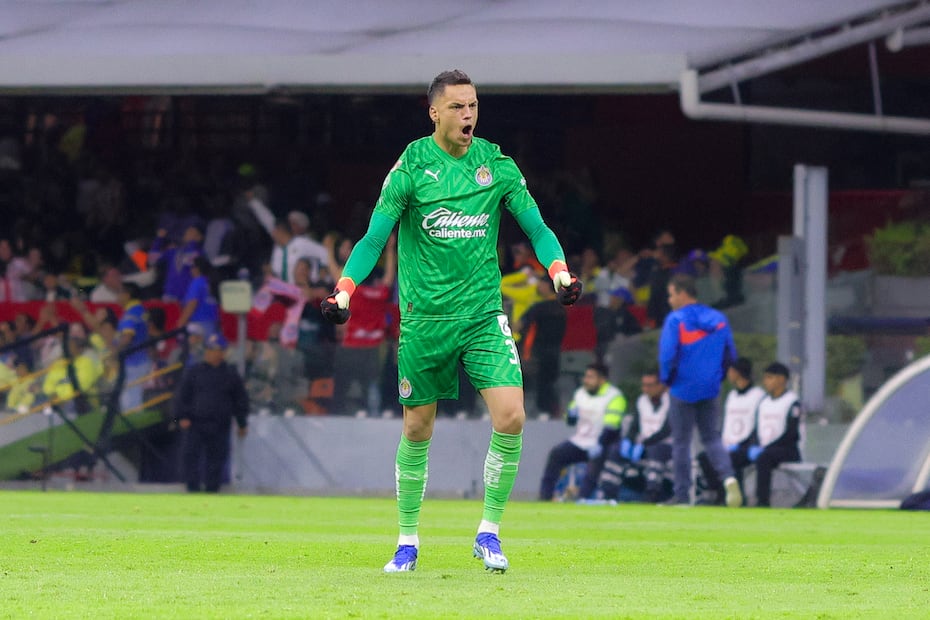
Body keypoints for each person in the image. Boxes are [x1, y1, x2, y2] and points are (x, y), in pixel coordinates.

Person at [320, 69, 582, 573]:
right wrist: (345, 290)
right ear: (434, 112)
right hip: (425, 320)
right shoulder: (411, 168)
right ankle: (407, 540)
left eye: (474, 106)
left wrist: (560, 271)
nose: (469, 116)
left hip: (483, 316)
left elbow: (537, 226)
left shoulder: (496, 164)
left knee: (512, 416)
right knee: (418, 430)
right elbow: (375, 239)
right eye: (458, 107)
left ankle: (489, 533)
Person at [658, 273, 742, 507]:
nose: (669, 300)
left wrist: (667, 380)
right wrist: (719, 378)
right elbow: (730, 354)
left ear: (683, 293)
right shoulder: (719, 318)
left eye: (671, 294)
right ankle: (728, 477)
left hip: (682, 388)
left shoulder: (676, 320)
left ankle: (682, 495)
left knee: (681, 443)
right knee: (712, 438)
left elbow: (668, 355)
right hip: (710, 387)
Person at [537, 362, 625, 502]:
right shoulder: (580, 394)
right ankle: (545, 497)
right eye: (586, 376)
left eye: (590, 377)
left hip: (602, 443)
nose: (586, 380)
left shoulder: (614, 397)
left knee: (594, 465)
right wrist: (570, 416)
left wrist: (600, 444)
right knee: (556, 454)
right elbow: (570, 421)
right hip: (580, 441)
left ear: (602, 379)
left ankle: (583, 498)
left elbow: (611, 427)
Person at [173, 333, 249, 493]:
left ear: (222, 352)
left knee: (216, 458)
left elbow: (240, 400)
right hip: (195, 422)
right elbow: (182, 396)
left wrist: (242, 423)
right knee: (190, 456)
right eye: (208, 349)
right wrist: (182, 416)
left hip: (220, 423)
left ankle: (212, 489)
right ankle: (192, 487)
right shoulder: (194, 371)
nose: (209, 353)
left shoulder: (231, 374)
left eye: (213, 349)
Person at [697, 357, 765, 505]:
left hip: (748, 446)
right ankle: (717, 494)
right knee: (704, 457)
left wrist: (746, 444)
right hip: (728, 445)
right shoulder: (732, 396)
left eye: (729, 370)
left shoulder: (758, 396)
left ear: (737, 373)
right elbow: (727, 423)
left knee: (732, 460)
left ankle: (737, 501)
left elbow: (760, 423)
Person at [599, 369, 673, 503]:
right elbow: (634, 426)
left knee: (656, 451)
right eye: (644, 385)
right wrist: (629, 440)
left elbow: (667, 430)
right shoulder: (641, 401)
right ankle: (608, 493)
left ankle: (651, 495)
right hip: (643, 444)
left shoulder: (672, 402)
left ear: (661, 385)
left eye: (650, 385)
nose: (646, 389)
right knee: (616, 450)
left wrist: (644, 443)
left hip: (664, 445)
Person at [744, 362, 803, 507]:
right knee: (735, 457)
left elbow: (792, 434)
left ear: (782, 380)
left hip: (787, 450)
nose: (766, 382)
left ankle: (762, 502)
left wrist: (767, 448)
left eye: (770, 377)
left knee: (764, 458)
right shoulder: (764, 402)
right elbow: (757, 429)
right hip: (765, 449)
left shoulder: (792, 402)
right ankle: (734, 499)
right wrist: (754, 445)